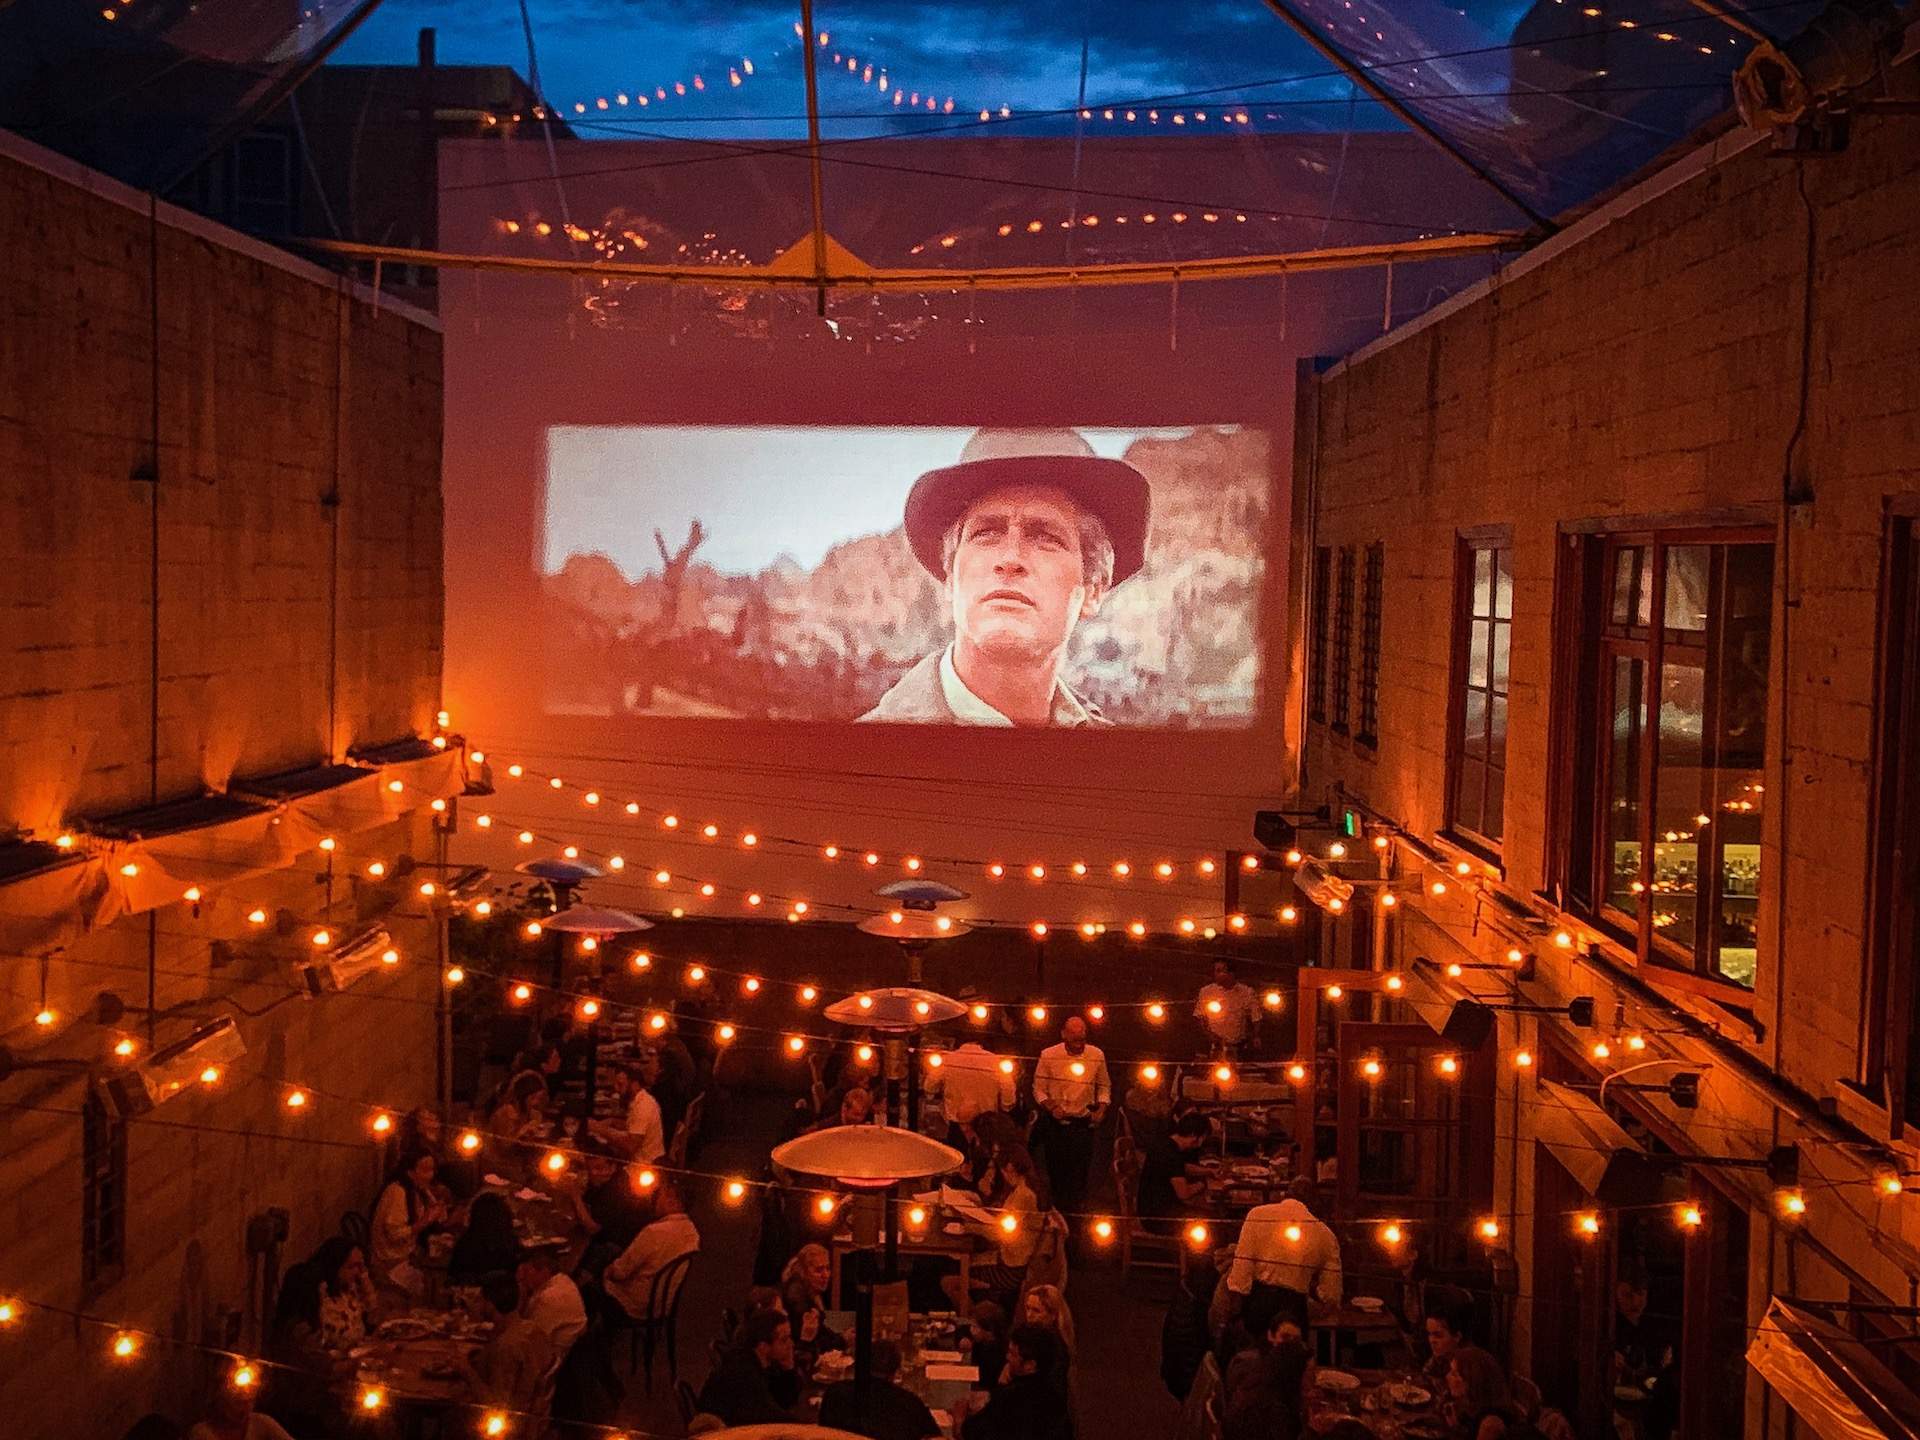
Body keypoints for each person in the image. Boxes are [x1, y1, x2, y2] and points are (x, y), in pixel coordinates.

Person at [858, 428, 1152, 727]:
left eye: (1045, 537)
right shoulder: (855, 755)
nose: (1010, 559)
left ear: (1093, 590)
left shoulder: (1123, 764)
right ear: (950, 577)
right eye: (985, 533)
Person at [1220, 1195, 1343, 1335]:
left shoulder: (1258, 1214)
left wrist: (1234, 1313)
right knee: (1291, 1352)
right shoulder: (1326, 1235)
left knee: (1259, 1351)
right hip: (1295, 1306)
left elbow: (1242, 1271)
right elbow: (1332, 1293)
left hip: (1260, 1301)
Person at [1031, 1017, 1109, 1225]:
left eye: (1082, 1036)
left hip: (1083, 1124)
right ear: (1063, 1034)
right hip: (1056, 1124)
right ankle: (1057, 1219)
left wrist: (1101, 1109)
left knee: (1081, 1174)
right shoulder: (1049, 1055)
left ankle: (1077, 1221)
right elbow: (1038, 1089)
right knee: (1057, 1174)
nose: (1078, 1040)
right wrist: (1052, 1107)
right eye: (1074, 1036)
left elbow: (1103, 1086)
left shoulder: (1096, 1054)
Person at [261, 1262, 344, 1437]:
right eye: (321, 1291)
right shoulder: (299, 1330)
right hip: (301, 1414)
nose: (324, 1296)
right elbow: (328, 1369)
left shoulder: (286, 1321)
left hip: (296, 1406)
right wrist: (361, 1361)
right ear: (310, 1294)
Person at [955, 1145, 1043, 1309]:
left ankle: (974, 1315)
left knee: (958, 1274)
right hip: (1008, 1258)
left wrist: (969, 1227)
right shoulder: (1022, 1189)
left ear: (1009, 1168)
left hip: (1011, 1269)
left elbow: (1000, 1233)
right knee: (966, 1263)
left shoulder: (1024, 1195)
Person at [953, 1324, 1074, 1440]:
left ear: (1030, 1365)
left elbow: (968, 1434)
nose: (1007, 1357)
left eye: (1012, 1353)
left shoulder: (1011, 1398)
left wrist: (959, 1418)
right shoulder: (1055, 1396)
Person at [459, 1271, 554, 1413]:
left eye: (479, 1299)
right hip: (534, 1416)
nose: (475, 1304)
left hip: (507, 1426)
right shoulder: (532, 1329)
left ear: (490, 1304)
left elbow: (496, 1407)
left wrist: (465, 1370)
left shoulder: (506, 1346)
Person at [603, 1182, 701, 1320]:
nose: (654, 1200)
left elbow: (621, 1272)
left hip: (638, 1303)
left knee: (590, 1288)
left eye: (659, 1195)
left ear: (672, 1201)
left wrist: (606, 1271)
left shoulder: (654, 1232)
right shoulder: (692, 1233)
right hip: (664, 1303)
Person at [818, 1338, 943, 1440]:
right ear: (896, 1371)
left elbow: (821, 1432)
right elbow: (935, 1436)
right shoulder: (910, 1403)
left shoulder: (835, 1393)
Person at [695, 1308, 800, 1426]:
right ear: (763, 1346)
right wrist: (809, 1427)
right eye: (784, 1340)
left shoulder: (762, 1361)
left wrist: (789, 1367)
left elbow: (786, 1401)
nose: (791, 1344)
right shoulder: (744, 1372)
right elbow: (770, 1416)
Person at [1221, 1304, 1311, 1440]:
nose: (1290, 1346)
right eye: (1285, 1338)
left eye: (1296, 1341)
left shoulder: (1269, 1371)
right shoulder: (1250, 1367)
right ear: (1270, 1335)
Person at [369, 1147, 446, 1300]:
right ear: (410, 1172)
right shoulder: (398, 1191)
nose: (430, 1175)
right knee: (430, 1291)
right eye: (425, 1170)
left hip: (407, 1255)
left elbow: (441, 1218)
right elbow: (395, 1235)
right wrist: (426, 1220)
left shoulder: (417, 1190)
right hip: (390, 1262)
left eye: (432, 1170)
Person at [1138, 1112, 1211, 1228]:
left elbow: (1183, 1167)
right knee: (1213, 1220)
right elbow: (1184, 1193)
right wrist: (1201, 1185)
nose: (1202, 1142)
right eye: (1203, 1137)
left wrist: (1208, 1171)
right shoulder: (1171, 1154)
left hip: (1150, 1210)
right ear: (1194, 1135)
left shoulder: (1166, 1144)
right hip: (1159, 1218)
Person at [780, 1242, 847, 1362]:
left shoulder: (810, 1290)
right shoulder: (799, 1301)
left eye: (828, 1268)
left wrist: (841, 1337)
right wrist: (843, 1340)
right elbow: (818, 1339)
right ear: (804, 1272)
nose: (825, 1275)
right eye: (819, 1270)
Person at [592, 1057, 666, 1163]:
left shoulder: (643, 1107)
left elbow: (630, 1146)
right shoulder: (641, 1098)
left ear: (635, 1084)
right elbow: (635, 1126)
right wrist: (613, 1121)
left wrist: (599, 1129)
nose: (616, 1089)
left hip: (644, 1164)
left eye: (620, 1084)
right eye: (615, 1084)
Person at [936, 1038, 1017, 1130]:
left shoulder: (948, 1059)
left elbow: (929, 1085)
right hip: (985, 1120)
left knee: (954, 1143)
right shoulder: (994, 1061)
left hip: (956, 1118)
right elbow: (1007, 1086)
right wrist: (1006, 1105)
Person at [310, 1237, 376, 1350]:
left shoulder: (350, 1288)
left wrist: (365, 1278)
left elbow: (372, 1308)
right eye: (351, 1267)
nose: (357, 1272)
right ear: (335, 1267)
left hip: (359, 1351)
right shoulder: (322, 1296)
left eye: (360, 1266)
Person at [517, 1247, 586, 1354]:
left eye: (526, 1271)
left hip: (556, 1356)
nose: (522, 1277)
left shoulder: (550, 1296)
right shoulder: (563, 1280)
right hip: (563, 1348)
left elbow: (532, 1339)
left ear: (544, 1271)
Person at [1447, 1346, 1524, 1439]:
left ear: (1473, 1380)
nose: (1447, 1376)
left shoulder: (1490, 1425)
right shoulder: (1473, 1404)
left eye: (1454, 1374)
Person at [449, 1191, 521, 1286]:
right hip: (503, 1293)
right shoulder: (511, 1242)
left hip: (471, 1292)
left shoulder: (467, 1242)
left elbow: (454, 1274)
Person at [1194, 958, 1263, 1054]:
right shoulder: (1206, 991)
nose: (1215, 974)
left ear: (1231, 973)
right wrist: (1210, 1036)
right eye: (1215, 971)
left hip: (1240, 1046)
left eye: (1219, 971)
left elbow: (1256, 1018)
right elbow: (1199, 1017)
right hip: (1215, 1046)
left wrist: (1255, 1036)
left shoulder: (1247, 992)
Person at [187, 1385, 295, 1440]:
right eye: (238, 1402)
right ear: (222, 1402)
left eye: (249, 1401)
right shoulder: (201, 1433)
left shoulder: (262, 1422)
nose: (246, 1408)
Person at [1423, 1291, 1474, 1384]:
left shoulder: (1470, 1365)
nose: (1431, 1340)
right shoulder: (1439, 1358)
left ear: (1457, 1337)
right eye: (1429, 1334)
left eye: (1438, 1335)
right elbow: (1426, 1377)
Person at [964, 1301, 1009, 1394]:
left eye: (975, 1327)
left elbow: (984, 1382)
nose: (971, 1330)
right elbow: (962, 1329)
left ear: (990, 1331)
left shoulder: (995, 1353)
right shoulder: (982, 1341)